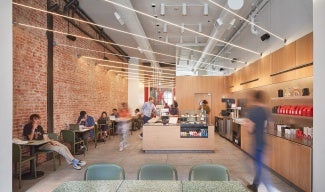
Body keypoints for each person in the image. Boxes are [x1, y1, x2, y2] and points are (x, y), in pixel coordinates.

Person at [244, 90, 273, 192]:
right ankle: (257, 183)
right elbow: (269, 126)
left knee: (258, 164)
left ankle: (256, 185)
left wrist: (247, 125)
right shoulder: (266, 110)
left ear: (255, 98)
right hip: (264, 141)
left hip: (256, 142)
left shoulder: (253, 111)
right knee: (260, 163)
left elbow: (250, 129)